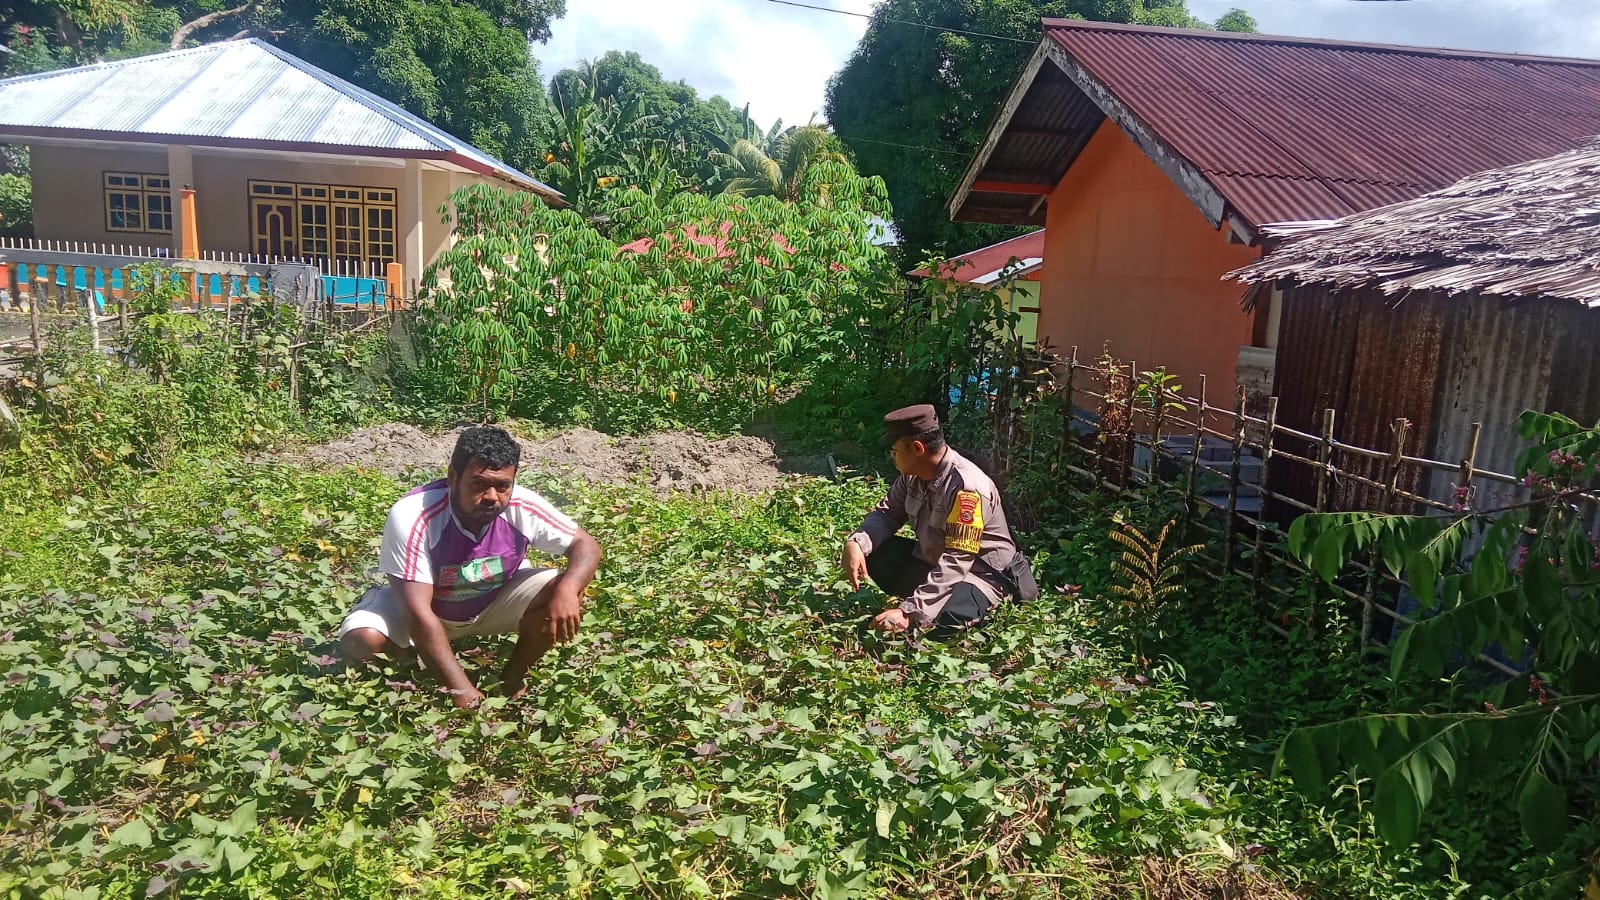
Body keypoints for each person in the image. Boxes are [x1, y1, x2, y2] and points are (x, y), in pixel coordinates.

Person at [339, 426, 603, 708]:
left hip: (491, 601)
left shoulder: (522, 505)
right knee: (361, 641)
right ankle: (413, 670)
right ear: (453, 477)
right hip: (425, 610)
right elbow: (418, 614)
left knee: (564, 590)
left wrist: (568, 587)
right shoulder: (414, 515)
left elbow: (586, 545)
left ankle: (511, 681)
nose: (492, 496)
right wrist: (463, 692)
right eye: (479, 484)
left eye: (503, 485)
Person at [843, 404, 1036, 637]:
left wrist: (909, 612)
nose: (892, 456)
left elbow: (958, 558)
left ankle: (930, 613)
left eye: (894, 450)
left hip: (980, 576)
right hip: (933, 563)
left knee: (946, 621)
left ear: (917, 448)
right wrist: (857, 542)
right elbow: (887, 513)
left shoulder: (967, 489)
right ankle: (926, 605)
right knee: (874, 552)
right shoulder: (912, 477)